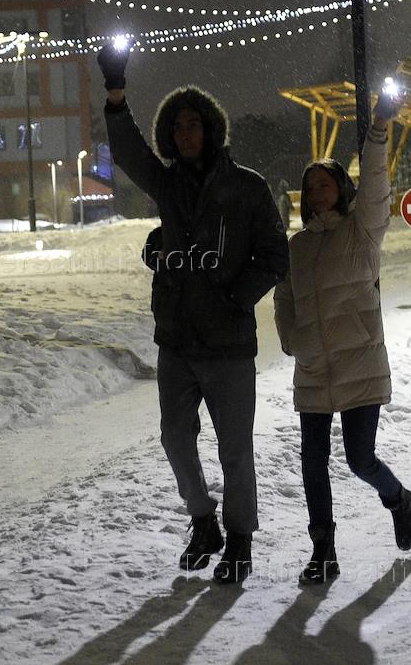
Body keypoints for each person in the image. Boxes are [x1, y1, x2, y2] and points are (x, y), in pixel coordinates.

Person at [97, 41, 290, 584]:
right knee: (175, 438)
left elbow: (275, 256)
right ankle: (203, 520)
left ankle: (240, 541)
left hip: (228, 344)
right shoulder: (168, 185)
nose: (185, 134)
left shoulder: (247, 187)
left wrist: (235, 298)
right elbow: (129, 152)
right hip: (178, 340)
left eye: (193, 125)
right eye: (177, 127)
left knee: (235, 449)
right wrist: (116, 94)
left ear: (210, 129)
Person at [273, 95, 411, 586]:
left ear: (341, 187)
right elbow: (284, 295)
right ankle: (323, 552)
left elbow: (377, 185)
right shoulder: (297, 247)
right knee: (312, 465)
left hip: (360, 363)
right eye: (310, 186)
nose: (317, 192)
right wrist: (291, 339)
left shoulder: (363, 231)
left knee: (359, 459)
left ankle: (398, 497)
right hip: (313, 367)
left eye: (325, 183)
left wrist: (378, 129)